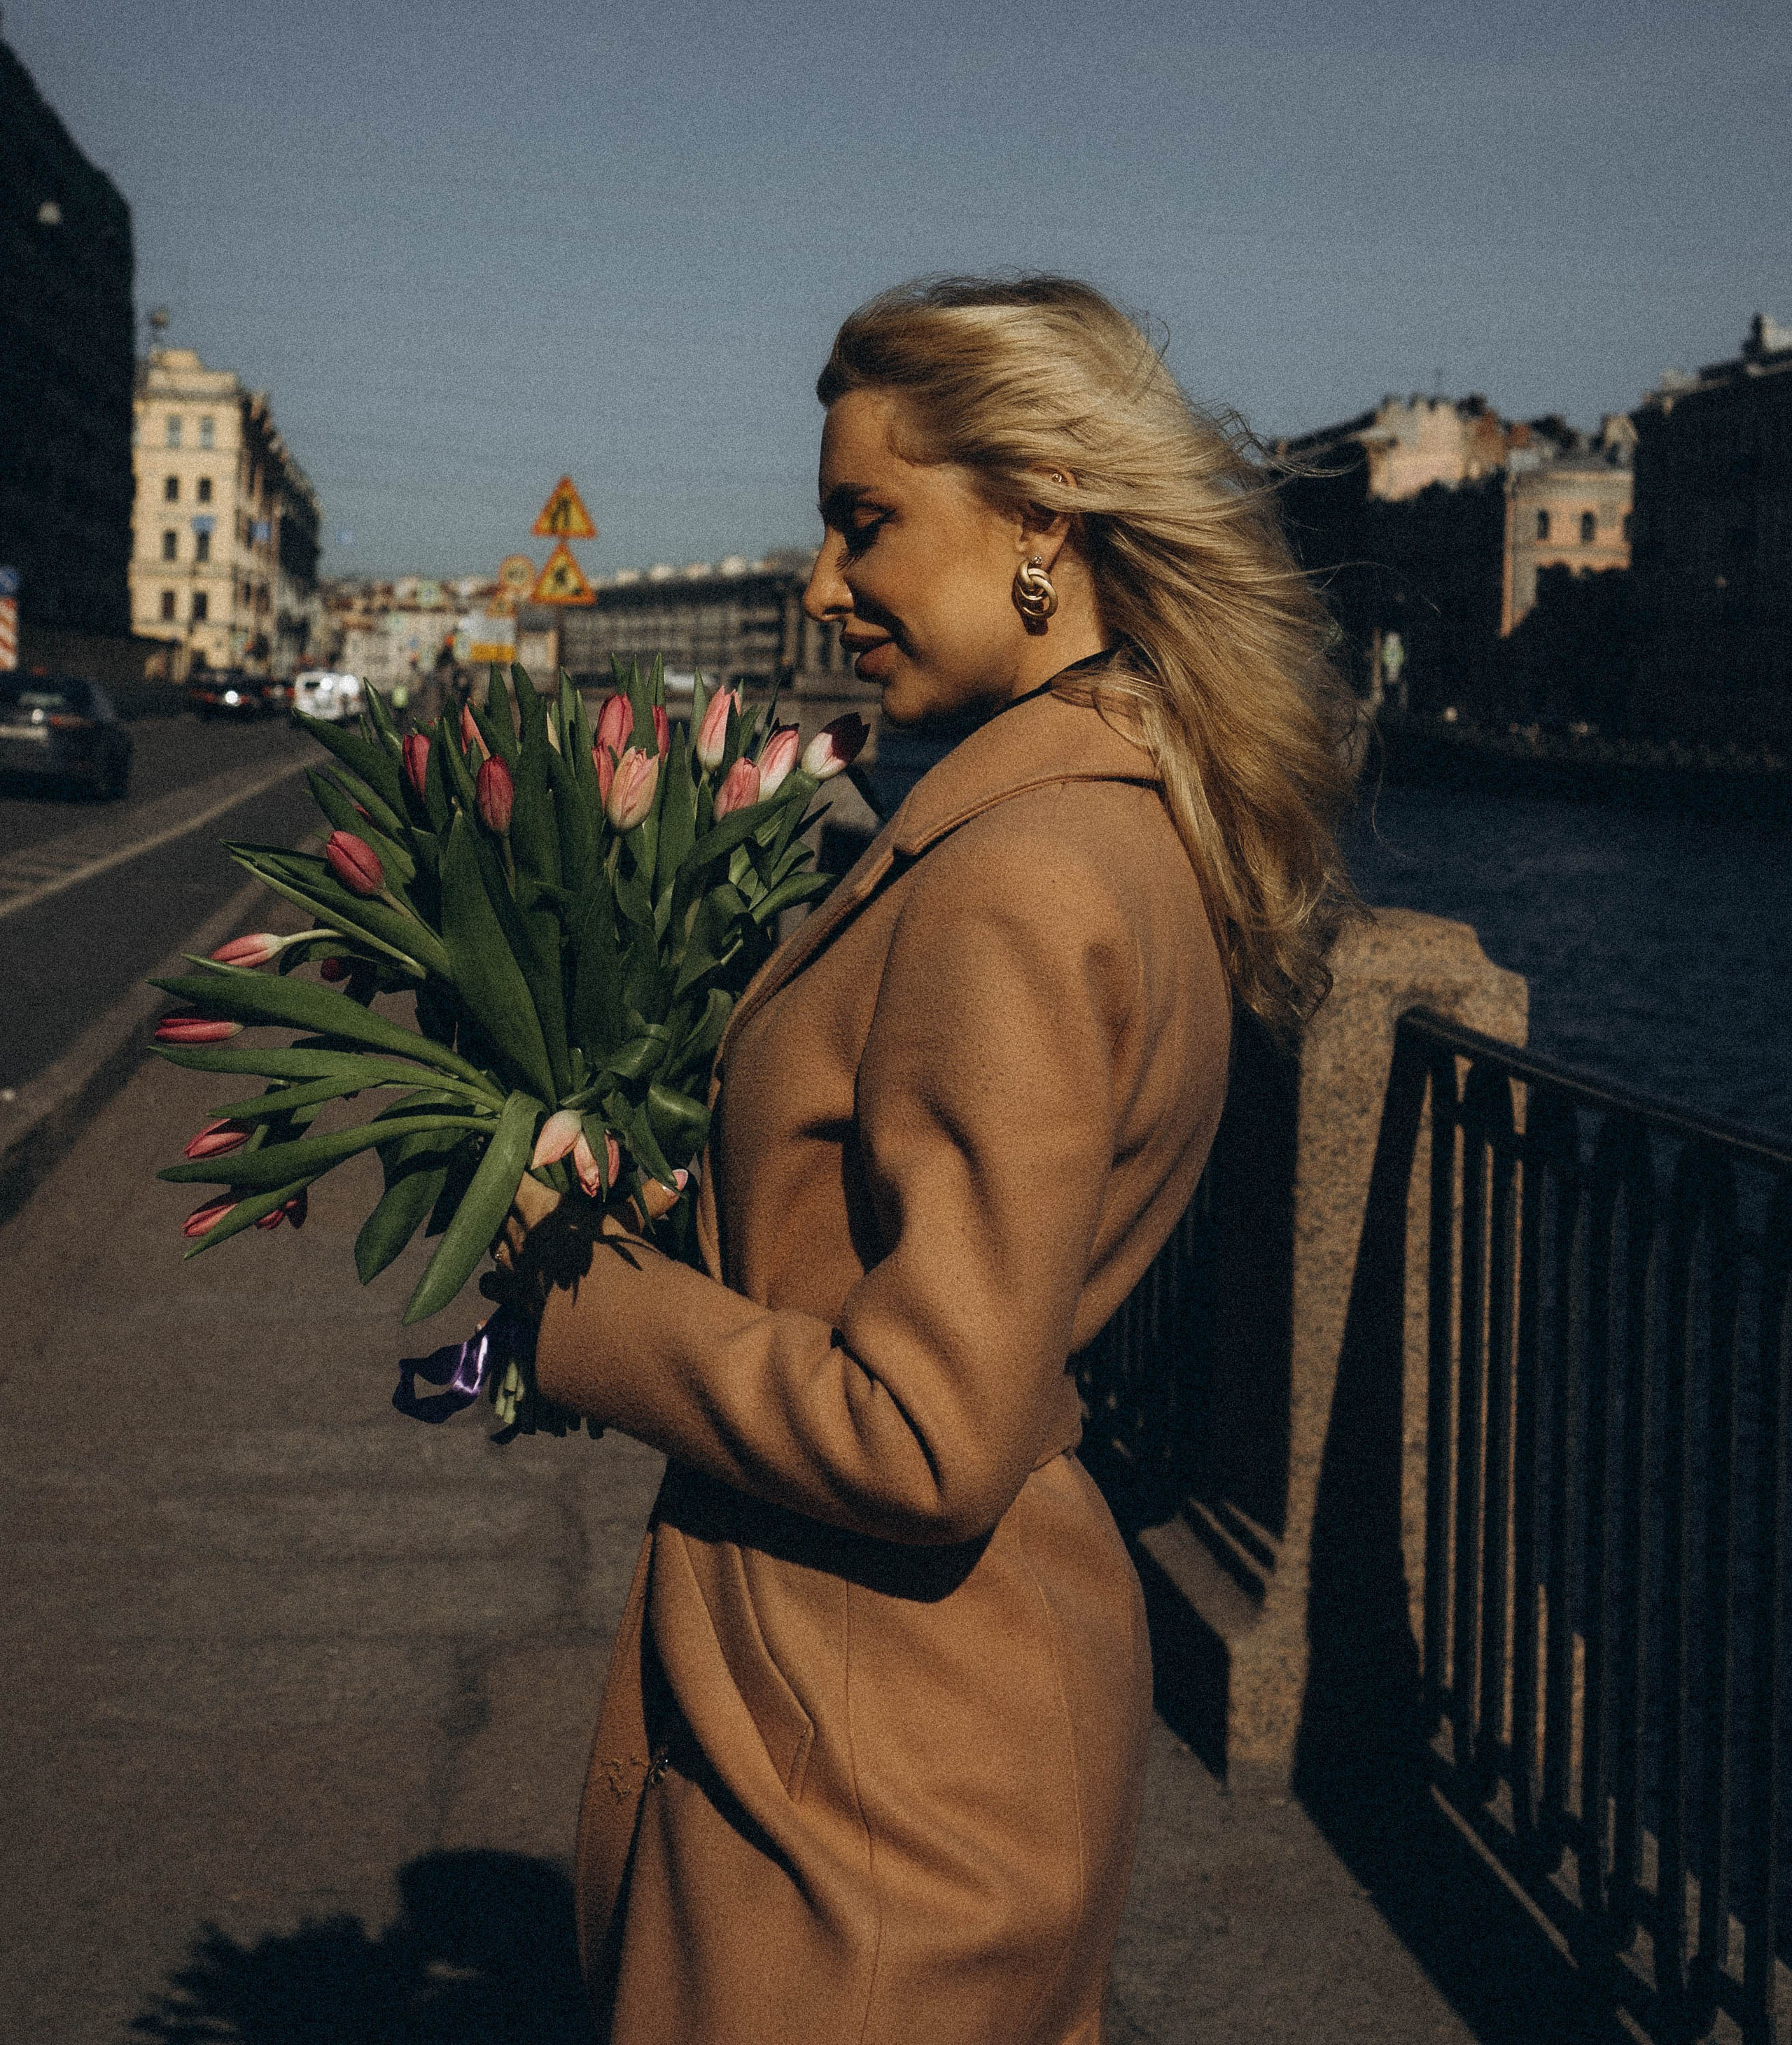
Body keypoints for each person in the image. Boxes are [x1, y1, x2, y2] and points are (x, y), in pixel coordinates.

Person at [494, 276, 1356, 2044]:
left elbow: (921, 1431)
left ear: (1038, 518)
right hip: (936, 1711)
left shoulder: (1018, 874)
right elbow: (937, 1251)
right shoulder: (1109, 817)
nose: (823, 585)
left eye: (861, 522)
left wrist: (567, 1299)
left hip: (866, 1751)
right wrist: (694, 1211)